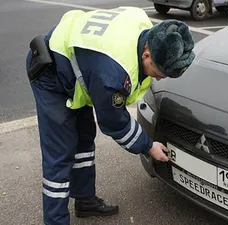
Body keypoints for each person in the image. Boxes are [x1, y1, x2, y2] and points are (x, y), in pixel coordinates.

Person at [25, 6, 195, 225]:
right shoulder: (112, 74)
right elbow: (114, 121)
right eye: (159, 72)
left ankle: (84, 201)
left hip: (80, 68)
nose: (160, 79)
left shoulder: (145, 28)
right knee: (60, 153)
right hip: (51, 75)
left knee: (84, 138)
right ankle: (55, 221)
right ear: (146, 54)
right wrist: (147, 146)